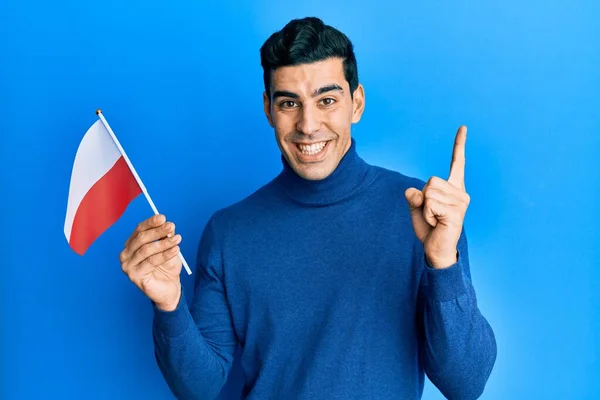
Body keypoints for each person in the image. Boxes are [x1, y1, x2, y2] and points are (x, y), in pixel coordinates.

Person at [119, 17, 497, 400]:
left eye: (327, 100)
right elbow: (199, 388)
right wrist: (169, 305)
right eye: (289, 104)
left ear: (357, 103)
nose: (308, 124)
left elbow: (465, 384)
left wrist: (442, 262)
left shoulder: (424, 214)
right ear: (268, 109)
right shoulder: (228, 232)